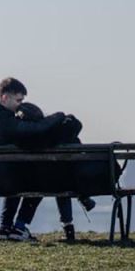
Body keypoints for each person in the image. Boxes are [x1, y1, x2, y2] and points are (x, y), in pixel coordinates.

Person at [0, 77, 68, 241]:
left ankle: (5, 228)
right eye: (18, 100)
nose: (20, 105)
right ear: (4, 97)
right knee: (40, 183)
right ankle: (20, 227)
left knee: (15, 179)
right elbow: (36, 128)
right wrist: (59, 116)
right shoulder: (4, 120)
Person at [16, 102, 96, 242]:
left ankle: (19, 226)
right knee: (61, 182)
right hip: (65, 181)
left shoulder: (28, 135)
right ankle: (69, 227)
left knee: (38, 187)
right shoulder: (60, 131)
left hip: (39, 182)